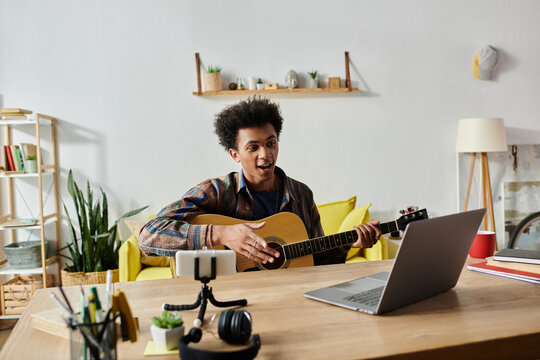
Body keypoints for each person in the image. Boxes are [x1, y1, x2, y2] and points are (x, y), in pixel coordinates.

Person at [139, 97, 381, 267]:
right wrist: (221, 234)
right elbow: (148, 236)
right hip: (231, 299)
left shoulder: (301, 194)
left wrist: (350, 244)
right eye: (253, 147)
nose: (265, 154)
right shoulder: (214, 192)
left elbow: (315, 260)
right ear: (235, 154)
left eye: (271, 143)